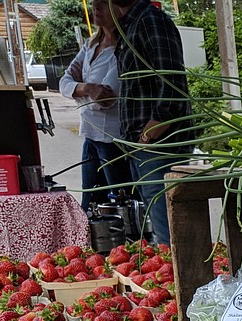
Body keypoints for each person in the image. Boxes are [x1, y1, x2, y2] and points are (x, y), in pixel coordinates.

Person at [109, 0, 191, 245]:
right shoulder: (129, 25)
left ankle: (178, 280)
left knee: (168, 231)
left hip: (160, 145)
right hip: (141, 143)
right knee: (159, 224)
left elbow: (173, 81)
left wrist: (149, 134)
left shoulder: (150, 20)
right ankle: (170, 276)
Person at [59, 0, 134, 212]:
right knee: (89, 201)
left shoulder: (123, 49)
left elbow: (105, 100)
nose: (96, 9)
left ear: (116, 7)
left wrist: (78, 91)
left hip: (113, 138)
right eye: (93, 4)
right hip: (90, 135)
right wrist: (88, 89)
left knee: (122, 202)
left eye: (102, 4)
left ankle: (133, 243)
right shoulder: (91, 45)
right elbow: (64, 81)